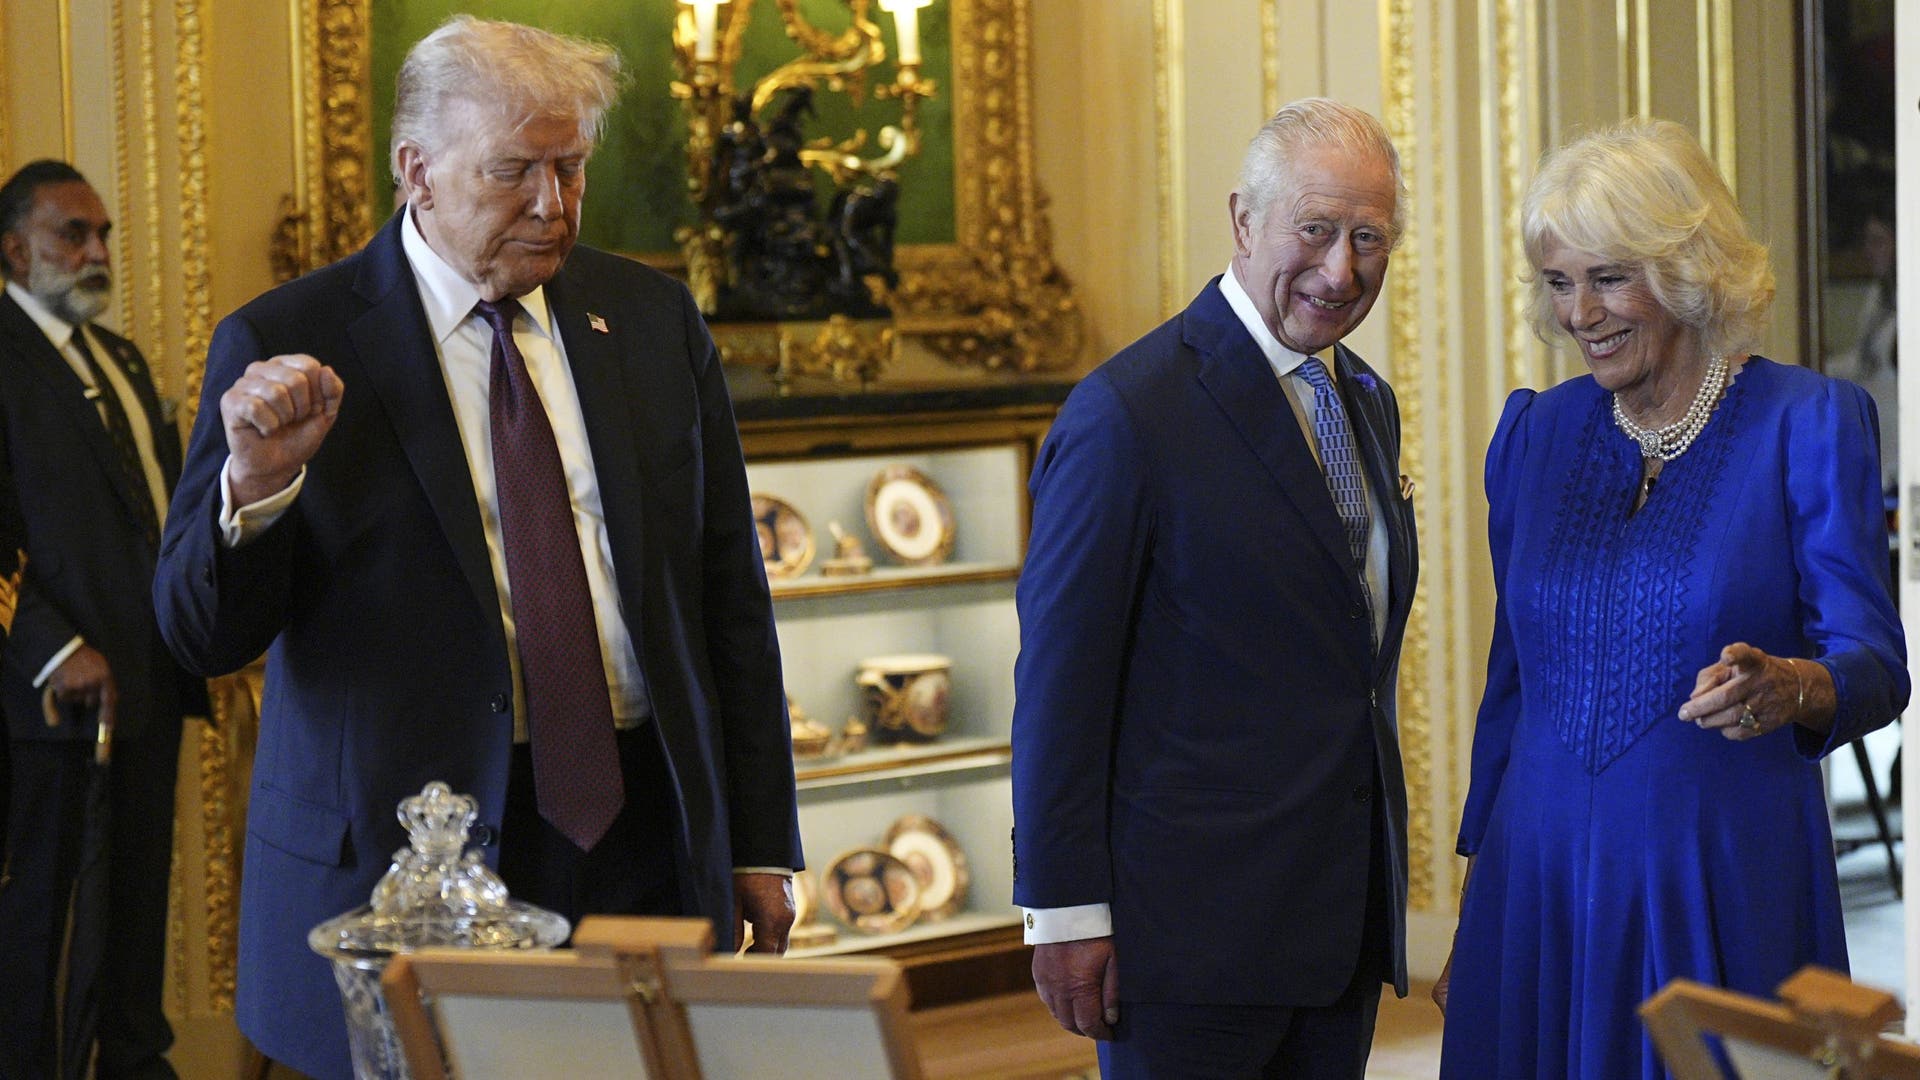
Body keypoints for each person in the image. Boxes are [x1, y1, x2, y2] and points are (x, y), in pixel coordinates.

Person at [151, 17, 802, 1080]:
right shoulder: (289, 341)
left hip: (639, 832)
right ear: (417, 171)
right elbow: (195, 632)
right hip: (407, 860)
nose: (552, 204)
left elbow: (728, 595)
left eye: (570, 167)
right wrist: (256, 489)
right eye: (513, 172)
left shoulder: (648, 319)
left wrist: (759, 839)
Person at [1436, 119, 1909, 1079]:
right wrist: (1478, 899)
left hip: (1719, 879)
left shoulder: (1806, 424)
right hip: (1539, 884)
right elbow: (1511, 687)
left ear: (1691, 270)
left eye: (1610, 277)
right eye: (1559, 282)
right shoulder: (1534, 435)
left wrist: (1794, 683)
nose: (1580, 313)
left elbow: (1876, 664)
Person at [1010, 98, 1419, 1079]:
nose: (1341, 270)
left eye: (1371, 239)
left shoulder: (1363, 401)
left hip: (1336, 928)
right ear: (1244, 220)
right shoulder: (1126, 413)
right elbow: (1061, 688)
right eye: (1315, 231)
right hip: (1184, 943)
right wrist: (1063, 912)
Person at [0, 160, 201, 1080]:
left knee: (133, 925)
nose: (95, 252)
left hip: (148, 688)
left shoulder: (115, 356)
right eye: (71, 235)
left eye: (104, 234)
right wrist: (54, 648)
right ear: (13, 248)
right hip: (52, 710)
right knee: (51, 933)